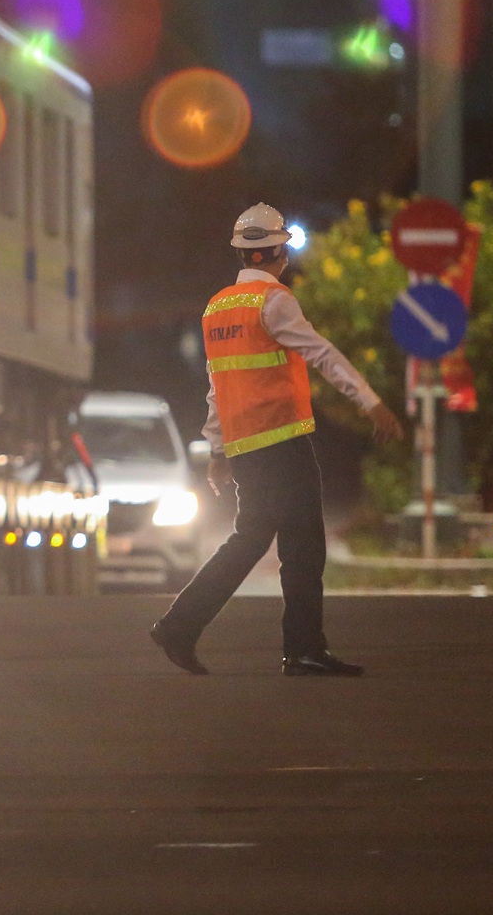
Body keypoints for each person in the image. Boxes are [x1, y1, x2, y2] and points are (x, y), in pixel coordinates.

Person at [150, 204, 406, 677]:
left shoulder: (217, 307)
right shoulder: (275, 301)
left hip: (247, 446)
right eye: (284, 245)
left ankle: (203, 630)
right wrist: (369, 400)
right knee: (297, 546)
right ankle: (208, 631)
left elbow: (216, 386)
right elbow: (321, 354)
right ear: (273, 251)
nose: (286, 252)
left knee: (264, 540)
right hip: (283, 443)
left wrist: (219, 450)